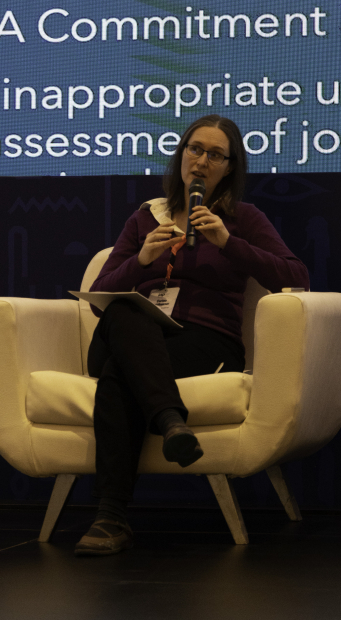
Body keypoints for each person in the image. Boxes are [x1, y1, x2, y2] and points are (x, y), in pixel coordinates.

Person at [75, 114, 310, 556]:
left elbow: (296, 277)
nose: (201, 161)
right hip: (132, 332)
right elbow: (98, 296)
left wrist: (228, 243)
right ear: (181, 154)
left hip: (204, 343)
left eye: (215, 155)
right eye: (195, 149)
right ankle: (170, 420)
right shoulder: (147, 217)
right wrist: (142, 260)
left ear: (229, 168)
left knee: (118, 376)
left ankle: (110, 517)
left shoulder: (242, 219)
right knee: (124, 310)